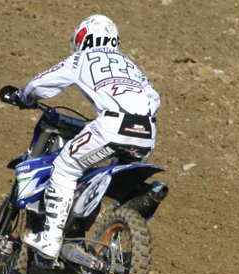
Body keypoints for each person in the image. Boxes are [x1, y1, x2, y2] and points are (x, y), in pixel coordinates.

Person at [13, 14, 161, 259]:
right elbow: (154, 98)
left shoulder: (82, 57)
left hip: (112, 125)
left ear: (84, 38)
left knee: (65, 167)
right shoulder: (129, 64)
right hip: (146, 131)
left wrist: (22, 97)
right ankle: (103, 235)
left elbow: (40, 85)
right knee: (106, 179)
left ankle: (50, 238)